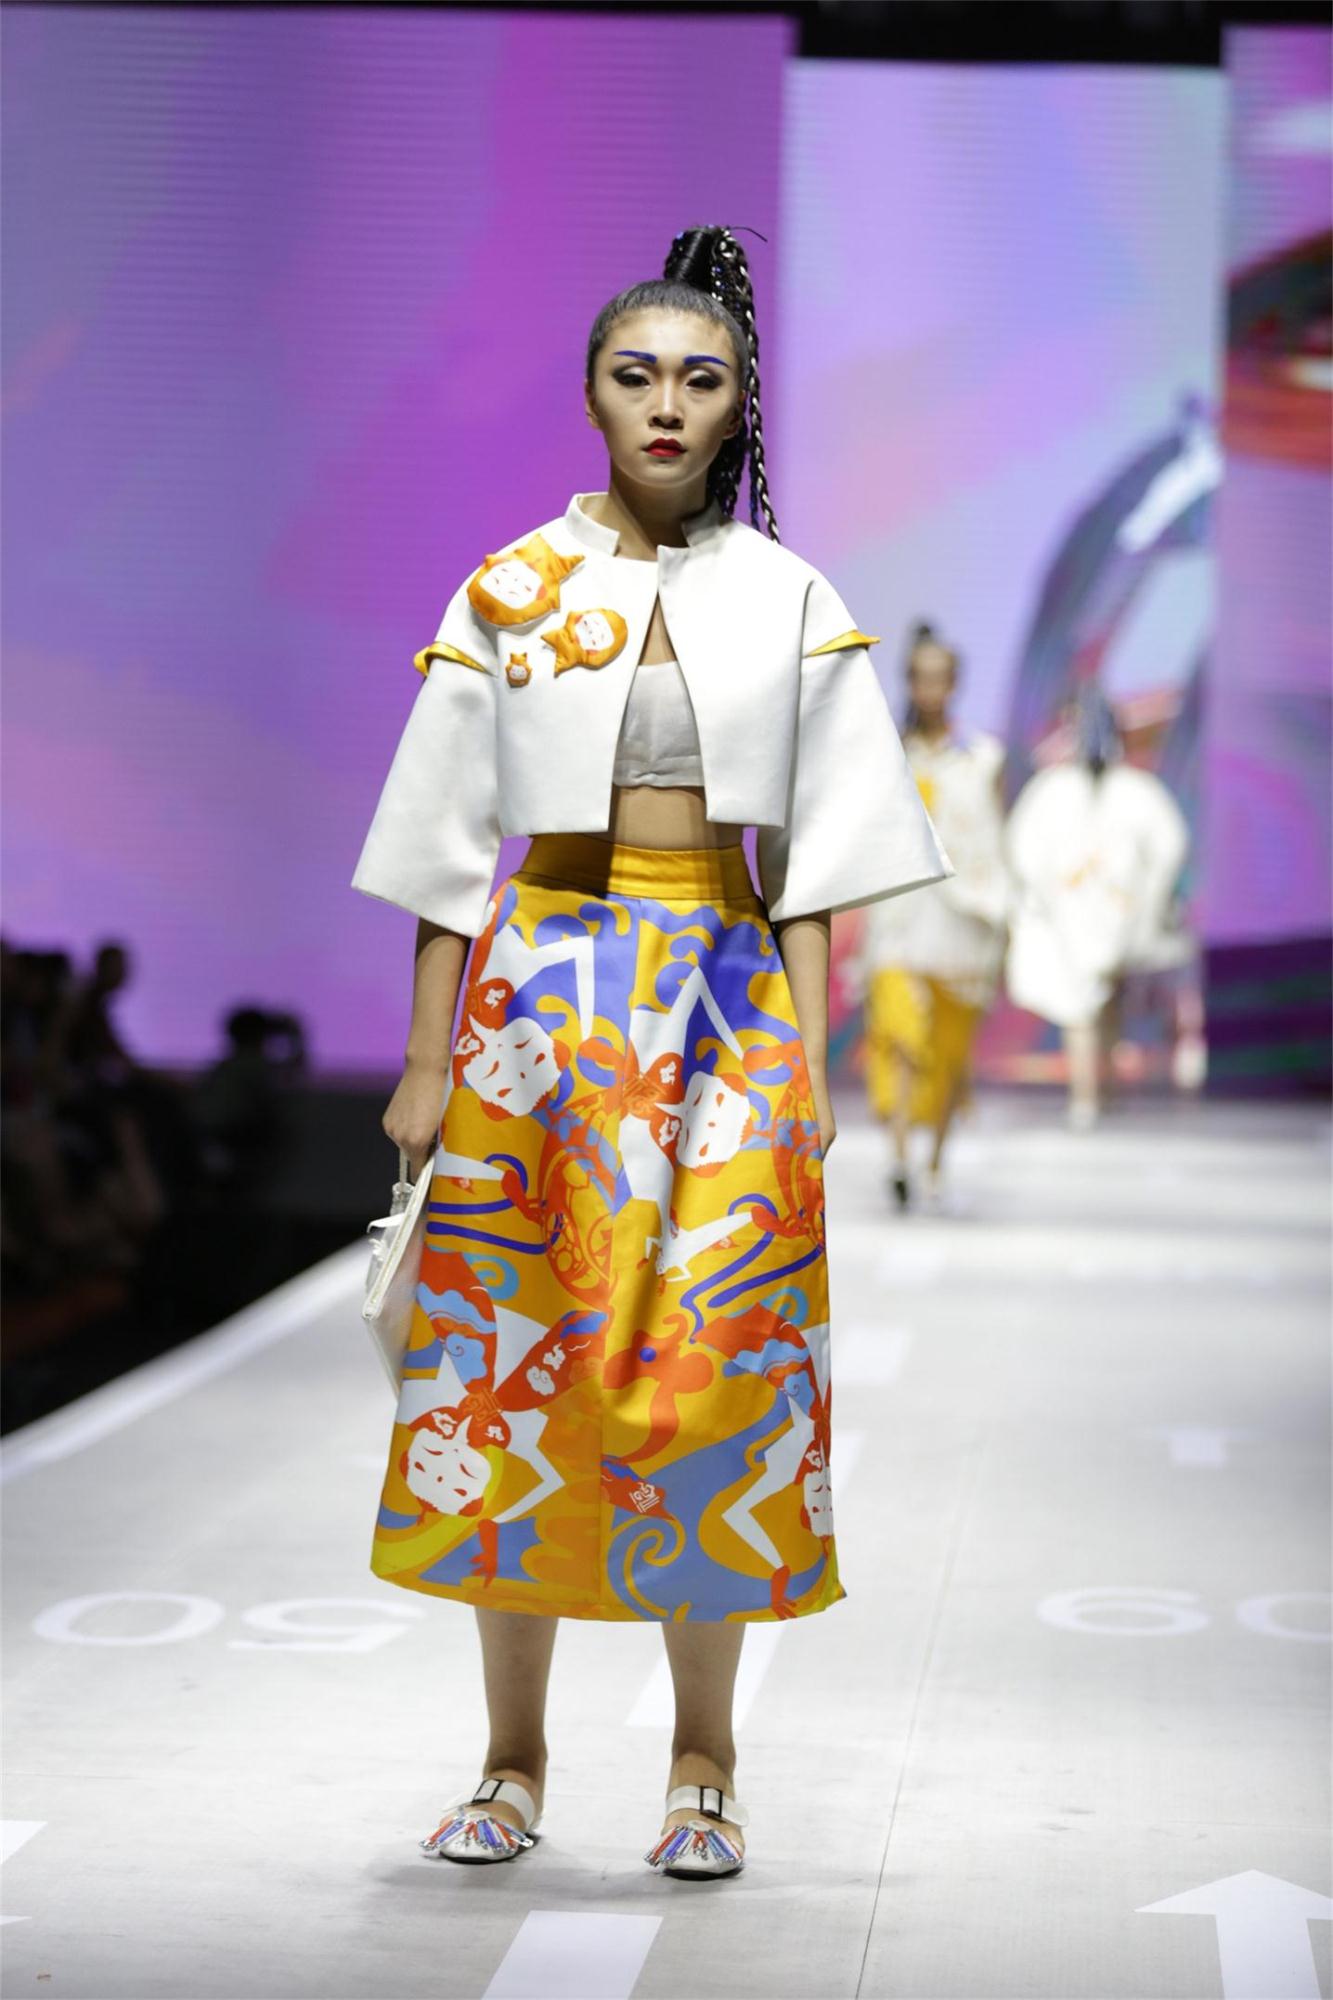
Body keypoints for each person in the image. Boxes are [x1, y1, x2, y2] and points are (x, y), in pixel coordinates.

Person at [350, 225, 950, 1881]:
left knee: (719, 1383)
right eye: (637, 377)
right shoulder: (512, 587)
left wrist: (806, 1065)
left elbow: (813, 866)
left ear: (741, 400)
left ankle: (704, 1761)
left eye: (699, 378)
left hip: (725, 1006)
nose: (667, 405)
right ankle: (512, 1759)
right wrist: (425, 1058)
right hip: (539, 1008)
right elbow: (444, 850)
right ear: (591, 396)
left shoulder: (787, 598)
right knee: (514, 1383)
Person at [861, 625, 1009, 1209]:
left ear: (954, 684)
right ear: (909, 682)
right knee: (899, 1036)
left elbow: (995, 842)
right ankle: (899, 1158)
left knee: (948, 1052)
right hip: (899, 915)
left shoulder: (983, 758)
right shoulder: (888, 752)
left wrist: (1002, 918)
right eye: (921, 678)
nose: (930, 690)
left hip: (962, 922)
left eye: (939, 679)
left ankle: (935, 1164)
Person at [1005, 686, 1191, 1128]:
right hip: (1066, 917)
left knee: (1102, 1003)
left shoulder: (1134, 791)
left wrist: (1149, 899)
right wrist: (1041, 900)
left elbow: (1169, 848)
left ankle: (1098, 1092)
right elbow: (1023, 850)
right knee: (1080, 1005)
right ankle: (1087, 1096)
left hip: (1118, 918)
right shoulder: (1053, 789)